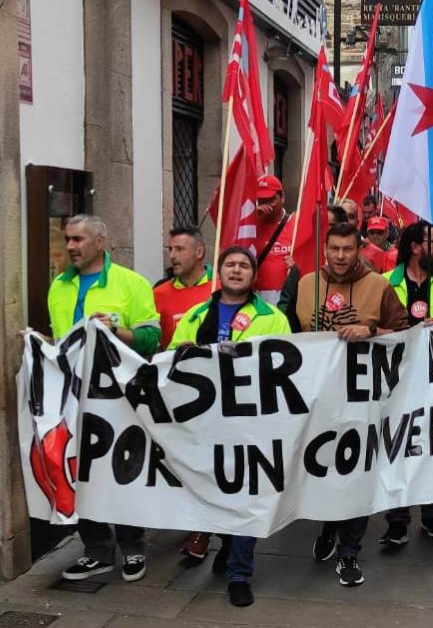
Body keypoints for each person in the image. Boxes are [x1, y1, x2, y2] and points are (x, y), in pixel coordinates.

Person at [287, 222, 411, 588]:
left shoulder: (380, 286)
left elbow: (405, 333)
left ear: (359, 250)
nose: (340, 256)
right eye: (334, 249)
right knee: (323, 470)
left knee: (355, 473)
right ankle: (329, 526)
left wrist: (370, 331)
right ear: (325, 249)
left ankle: (349, 552)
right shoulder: (305, 284)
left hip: (363, 399)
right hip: (318, 398)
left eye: (348, 249)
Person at [167, 245, 291, 608]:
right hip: (206, 423)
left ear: (254, 275)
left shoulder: (272, 317)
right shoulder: (195, 315)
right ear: (218, 272)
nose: (236, 271)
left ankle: (240, 572)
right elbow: (170, 359)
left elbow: (285, 366)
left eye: (244, 266)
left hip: (251, 424)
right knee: (216, 491)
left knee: (248, 497)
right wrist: (183, 351)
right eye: (230, 265)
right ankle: (224, 546)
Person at [48, 215, 160, 584]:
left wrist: (117, 332)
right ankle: (96, 548)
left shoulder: (132, 284)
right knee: (79, 469)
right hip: (73, 396)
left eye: (78, 239)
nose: (70, 246)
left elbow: (150, 338)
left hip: (118, 397)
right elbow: (62, 341)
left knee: (122, 468)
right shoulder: (58, 288)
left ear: (100, 241)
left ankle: (132, 546)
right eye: (67, 239)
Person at [379, 222, 433, 547]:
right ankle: (396, 520)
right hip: (396, 379)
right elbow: (376, 328)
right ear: (416, 247)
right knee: (396, 446)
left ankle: (432, 515)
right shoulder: (386, 285)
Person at [153, 227, 213, 349]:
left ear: (199, 252)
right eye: (170, 249)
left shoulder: (221, 288)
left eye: (179, 249)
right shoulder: (158, 293)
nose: (172, 255)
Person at [253, 175, 295, 304]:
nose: (265, 205)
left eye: (270, 199)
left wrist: (297, 266)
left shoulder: (296, 223)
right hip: (257, 296)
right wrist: (253, 219)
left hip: (288, 295)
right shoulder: (249, 227)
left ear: (282, 198)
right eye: (261, 200)